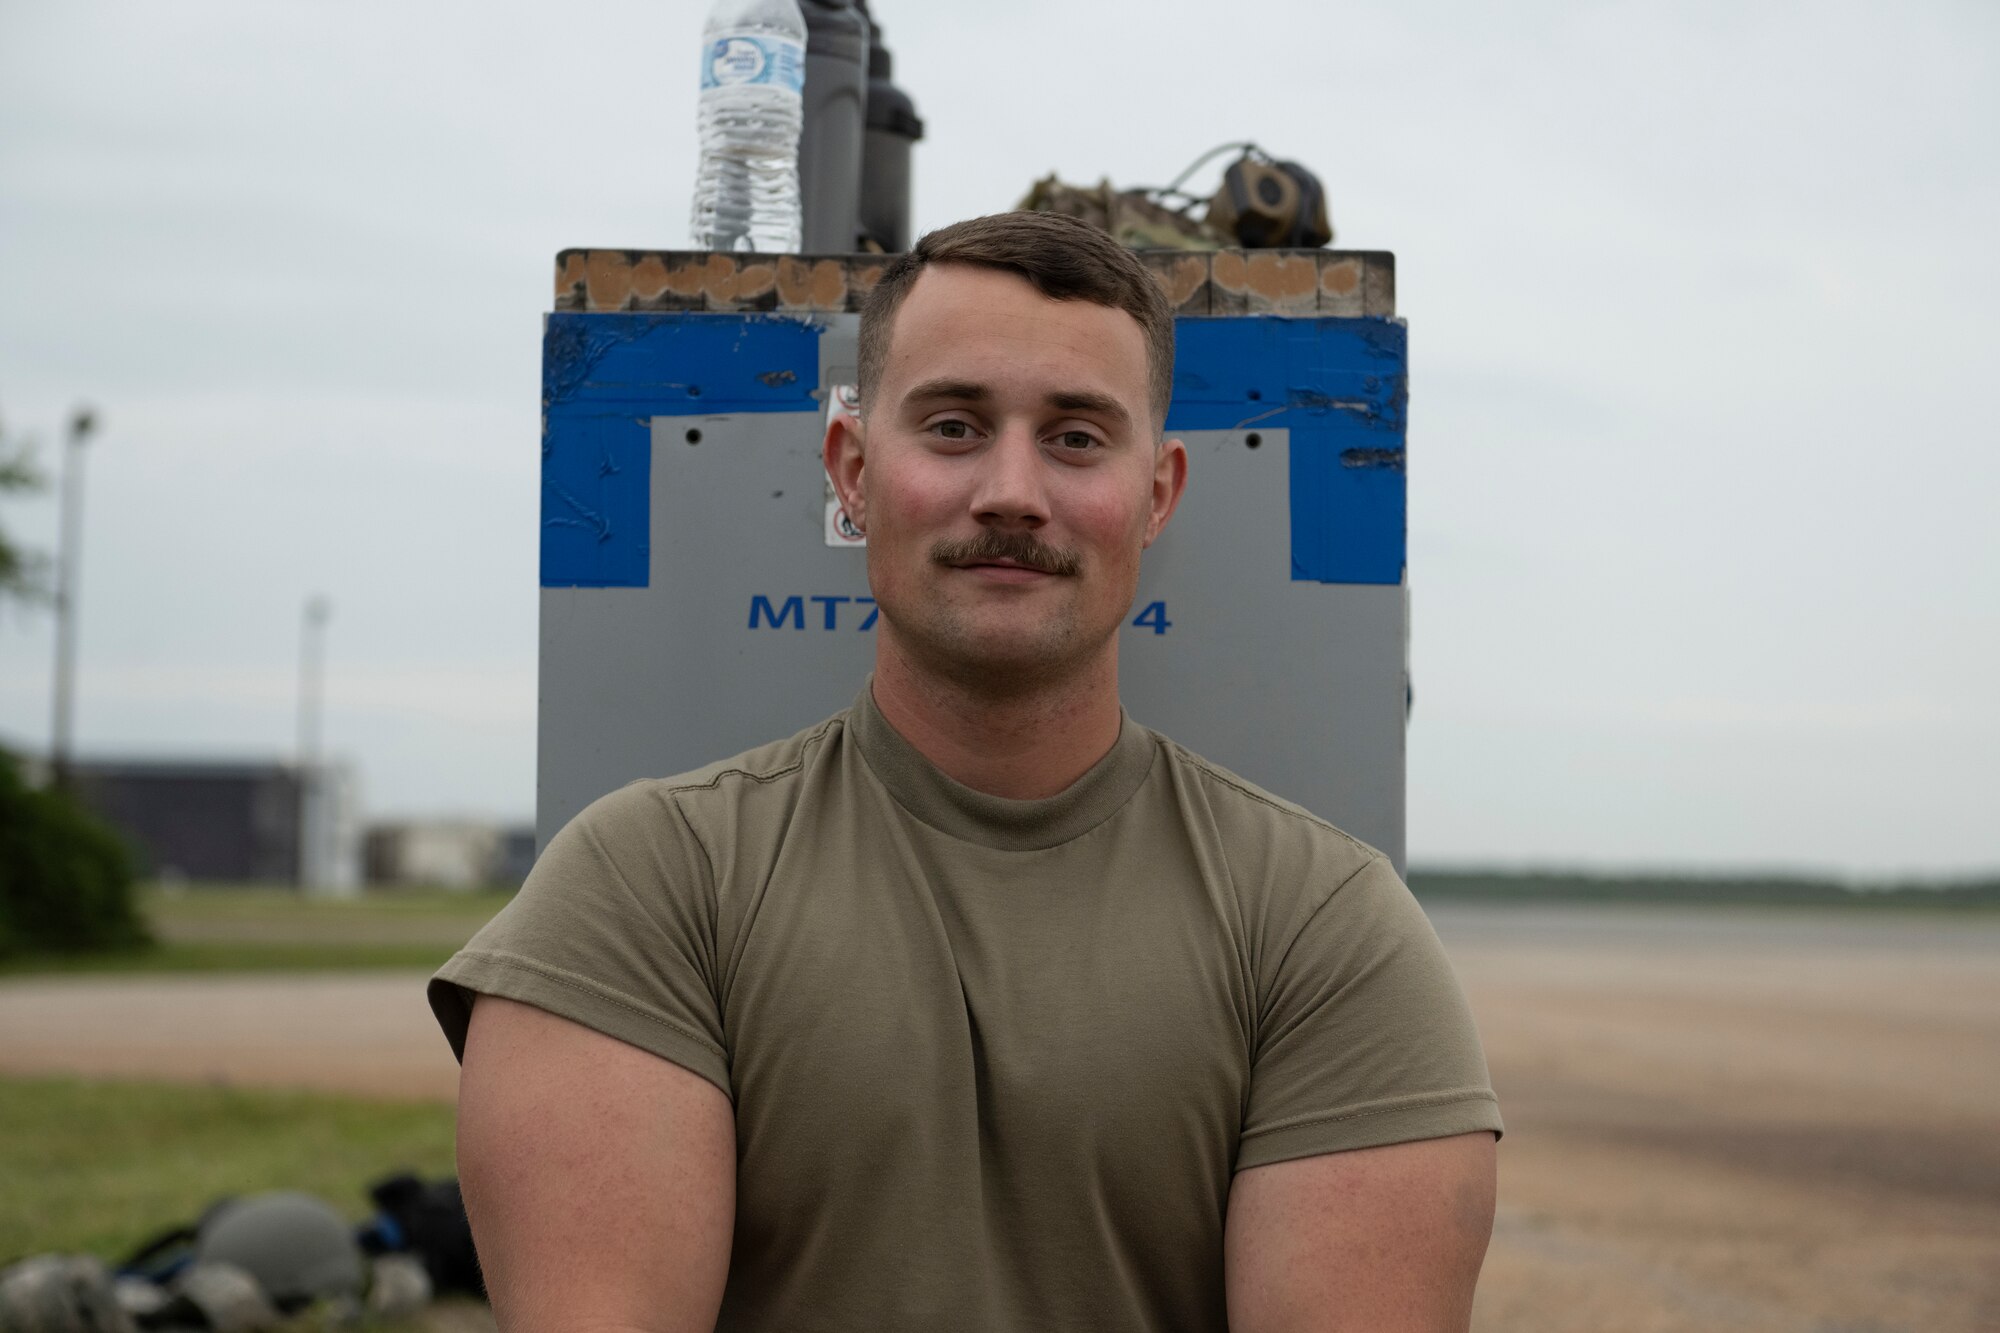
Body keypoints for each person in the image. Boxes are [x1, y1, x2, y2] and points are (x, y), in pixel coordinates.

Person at [429, 210, 1502, 1333]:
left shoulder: (1325, 928)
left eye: (1077, 437)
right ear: (851, 470)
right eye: (951, 425)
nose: (1009, 491)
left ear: (1158, 495)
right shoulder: (643, 887)